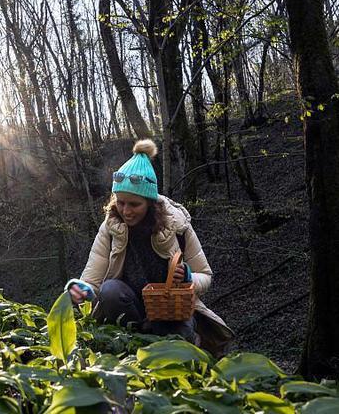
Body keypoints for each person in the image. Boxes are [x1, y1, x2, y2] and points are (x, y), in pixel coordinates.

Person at [67, 139, 234, 357]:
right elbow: (93, 277)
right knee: (110, 291)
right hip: (129, 307)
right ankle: (135, 346)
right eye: (121, 202)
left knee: (180, 343)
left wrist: (189, 279)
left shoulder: (178, 226)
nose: (126, 211)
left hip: (170, 308)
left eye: (134, 204)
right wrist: (81, 289)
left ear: (150, 202)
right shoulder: (110, 227)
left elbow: (205, 275)